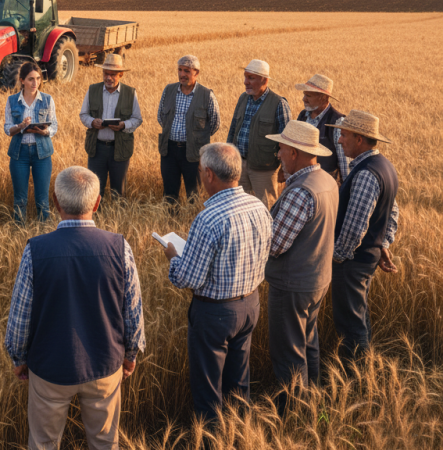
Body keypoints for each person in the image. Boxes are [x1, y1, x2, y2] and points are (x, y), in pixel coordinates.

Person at [5, 166, 145, 449]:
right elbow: (133, 309)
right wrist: (130, 354)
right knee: (105, 443)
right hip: (105, 365)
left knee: (44, 443)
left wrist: (18, 357)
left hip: (50, 368)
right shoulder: (120, 247)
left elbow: (20, 316)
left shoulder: (36, 250)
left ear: (55, 203)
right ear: (97, 203)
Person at [163, 143, 272, 421]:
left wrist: (174, 257)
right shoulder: (258, 205)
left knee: (208, 392)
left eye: (200, 171)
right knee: (239, 386)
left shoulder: (209, 218)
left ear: (209, 174)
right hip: (250, 305)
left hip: (215, 314)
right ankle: (240, 436)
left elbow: (189, 278)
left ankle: (211, 440)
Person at [263, 121, 339, 412]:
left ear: (294, 152)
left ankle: (292, 417)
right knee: (309, 346)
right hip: (318, 278)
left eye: (281, 148)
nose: (278, 154)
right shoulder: (327, 181)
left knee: (288, 354)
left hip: (292, 284)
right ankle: (313, 406)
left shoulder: (299, 192)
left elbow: (276, 244)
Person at [328, 110, 400, 360]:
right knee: (358, 317)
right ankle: (364, 374)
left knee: (350, 325)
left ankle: (356, 380)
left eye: (344, 135)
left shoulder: (367, 173)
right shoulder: (384, 166)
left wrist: (336, 258)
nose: (339, 141)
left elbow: (355, 226)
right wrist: (383, 243)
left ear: (359, 139)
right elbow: (392, 212)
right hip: (365, 258)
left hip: (352, 263)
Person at [227, 59, 291, 208]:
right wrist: (228, 157)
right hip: (240, 164)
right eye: (245, 77)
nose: (245, 82)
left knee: (266, 208)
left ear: (264, 80)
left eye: (251, 78)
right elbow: (233, 129)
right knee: (239, 207)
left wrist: (285, 168)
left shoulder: (279, 103)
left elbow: (286, 140)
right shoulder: (243, 98)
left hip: (265, 169)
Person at [157, 55, 220, 203]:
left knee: (194, 192)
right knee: (169, 192)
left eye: (186, 71)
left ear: (196, 73)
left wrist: (197, 138)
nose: (182, 74)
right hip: (169, 149)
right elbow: (161, 116)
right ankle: (171, 221)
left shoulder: (207, 95)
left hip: (193, 152)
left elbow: (215, 123)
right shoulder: (169, 90)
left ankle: (192, 221)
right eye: (180, 70)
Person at [79, 53, 143, 199]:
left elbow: (137, 119)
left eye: (113, 74)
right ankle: (95, 218)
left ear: (121, 75)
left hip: (119, 149)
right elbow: (83, 115)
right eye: (106, 73)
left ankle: (118, 219)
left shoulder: (130, 93)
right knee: (94, 191)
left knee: (118, 192)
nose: (108, 78)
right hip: (97, 148)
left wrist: (123, 125)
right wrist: (92, 122)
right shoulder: (92, 90)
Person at [3, 62, 58, 223]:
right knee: (20, 199)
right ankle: (19, 232)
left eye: (38, 79)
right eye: (30, 79)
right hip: (19, 153)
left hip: (42, 153)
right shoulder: (12, 100)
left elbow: (54, 125)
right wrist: (20, 126)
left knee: (42, 199)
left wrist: (45, 131)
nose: (35, 83)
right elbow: (7, 129)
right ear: (22, 80)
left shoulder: (47, 100)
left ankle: (44, 234)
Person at [295, 74, 349, 181]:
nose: (303, 99)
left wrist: (345, 191)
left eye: (308, 96)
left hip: (325, 184)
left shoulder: (337, 122)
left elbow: (345, 163)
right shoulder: (303, 116)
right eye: (304, 94)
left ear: (323, 98)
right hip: (301, 180)